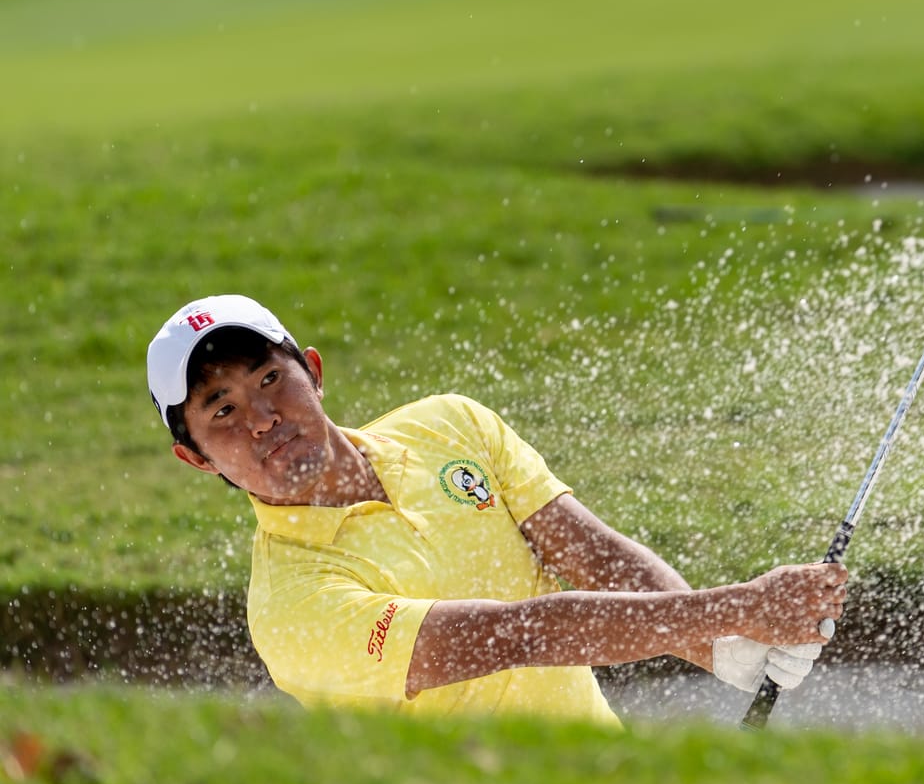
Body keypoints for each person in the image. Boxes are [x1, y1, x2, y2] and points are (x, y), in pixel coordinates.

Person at [148, 293, 846, 723]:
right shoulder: (292, 605)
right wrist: (737, 609)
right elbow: (519, 635)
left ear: (316, 373)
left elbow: (592, 554)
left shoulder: (450, 426)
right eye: (223, 409)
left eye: (272, 378)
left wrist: (721, 650)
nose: (265, 418)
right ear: (197, 457)